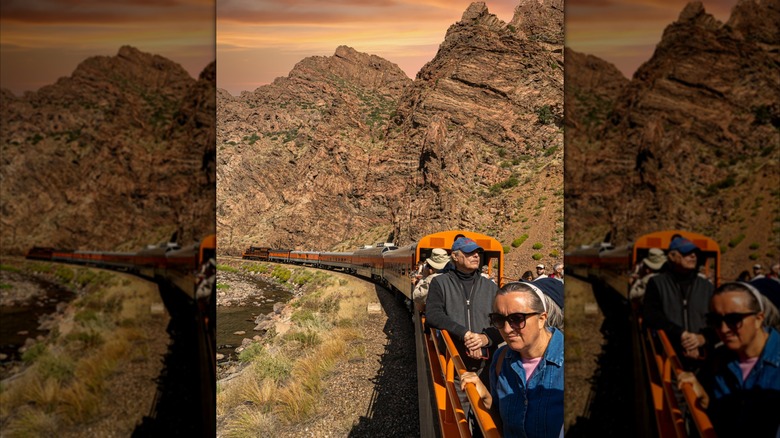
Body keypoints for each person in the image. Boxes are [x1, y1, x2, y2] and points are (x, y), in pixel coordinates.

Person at [460, 282, 564, 437]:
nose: (507, 329)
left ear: (542, 319)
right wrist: (485, 397)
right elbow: (501, 426)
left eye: (517, 318)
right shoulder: (501, 358)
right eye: (499, 319)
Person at [677, 282, 780, 437]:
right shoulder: (717, 360)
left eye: (734, 319)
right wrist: (705, 399)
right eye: (715, 320)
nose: (724, 329)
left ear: (759, 319)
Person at [425, 237, 501, 433]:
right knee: (462, 420)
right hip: (456, 364)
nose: (476, 256)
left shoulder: (490, 287)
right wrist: (464, 334)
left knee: (489, 417)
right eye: (468, 252)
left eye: (477, 252)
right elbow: (433, 315)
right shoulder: (440, 283)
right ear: (455, 257)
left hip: (487, 365)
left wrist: (485, 339)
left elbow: (503, 323)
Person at [643, 236, 715, 364]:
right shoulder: (656, 283)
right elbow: (651, 315)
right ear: (672, 256)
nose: (693, 256)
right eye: (686, 253)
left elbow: (716, 319)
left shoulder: (707, 287)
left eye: (695, 253)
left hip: (703, 357)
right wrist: (681, 334)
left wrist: (702, 338)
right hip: (668, 357)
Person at [412, 248, 450, 312]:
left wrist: (424, 277)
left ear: (431, 266)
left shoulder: (432, 279)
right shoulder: (454, 275)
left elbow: (417, 296)